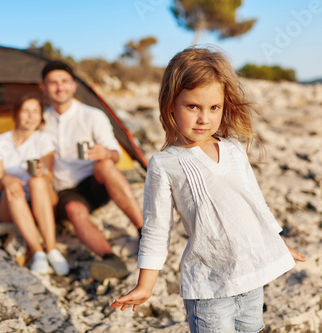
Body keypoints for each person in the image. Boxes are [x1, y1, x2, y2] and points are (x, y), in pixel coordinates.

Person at [111, 47, 307, 332]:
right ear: (170, 106)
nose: (204, 118)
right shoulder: (165, 164)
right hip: (208, 289)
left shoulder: (233, 150)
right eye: (193, 107)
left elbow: (255, 203)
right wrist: (145, 284)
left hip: (251, 282)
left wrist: (276, 244)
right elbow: (156, 230)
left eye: (214, 108)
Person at [40, 60, 144, 281]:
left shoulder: (92, 115)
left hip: (95, 182)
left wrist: (106, 153)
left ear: (74, 85)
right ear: (44, 87)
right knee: (74, 211)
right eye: (53, 83)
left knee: (105, 164)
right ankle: (111, 260)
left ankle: (144, 230)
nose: (60, 87)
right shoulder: (41, 119)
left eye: (65, 82)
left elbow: (116, 154)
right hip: (65, 189)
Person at [0, 94, 69, 276]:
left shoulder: (43, 140)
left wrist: (43, 171)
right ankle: (37, 252)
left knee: (38, 181)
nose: (30, 116)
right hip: (13, 205)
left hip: (41, 200)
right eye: (26, 111)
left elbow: (48, 179)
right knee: (13, 187)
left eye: (35, 112)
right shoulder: (0, 141)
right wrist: (5, 179)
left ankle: (51, 249)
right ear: (17, 114)